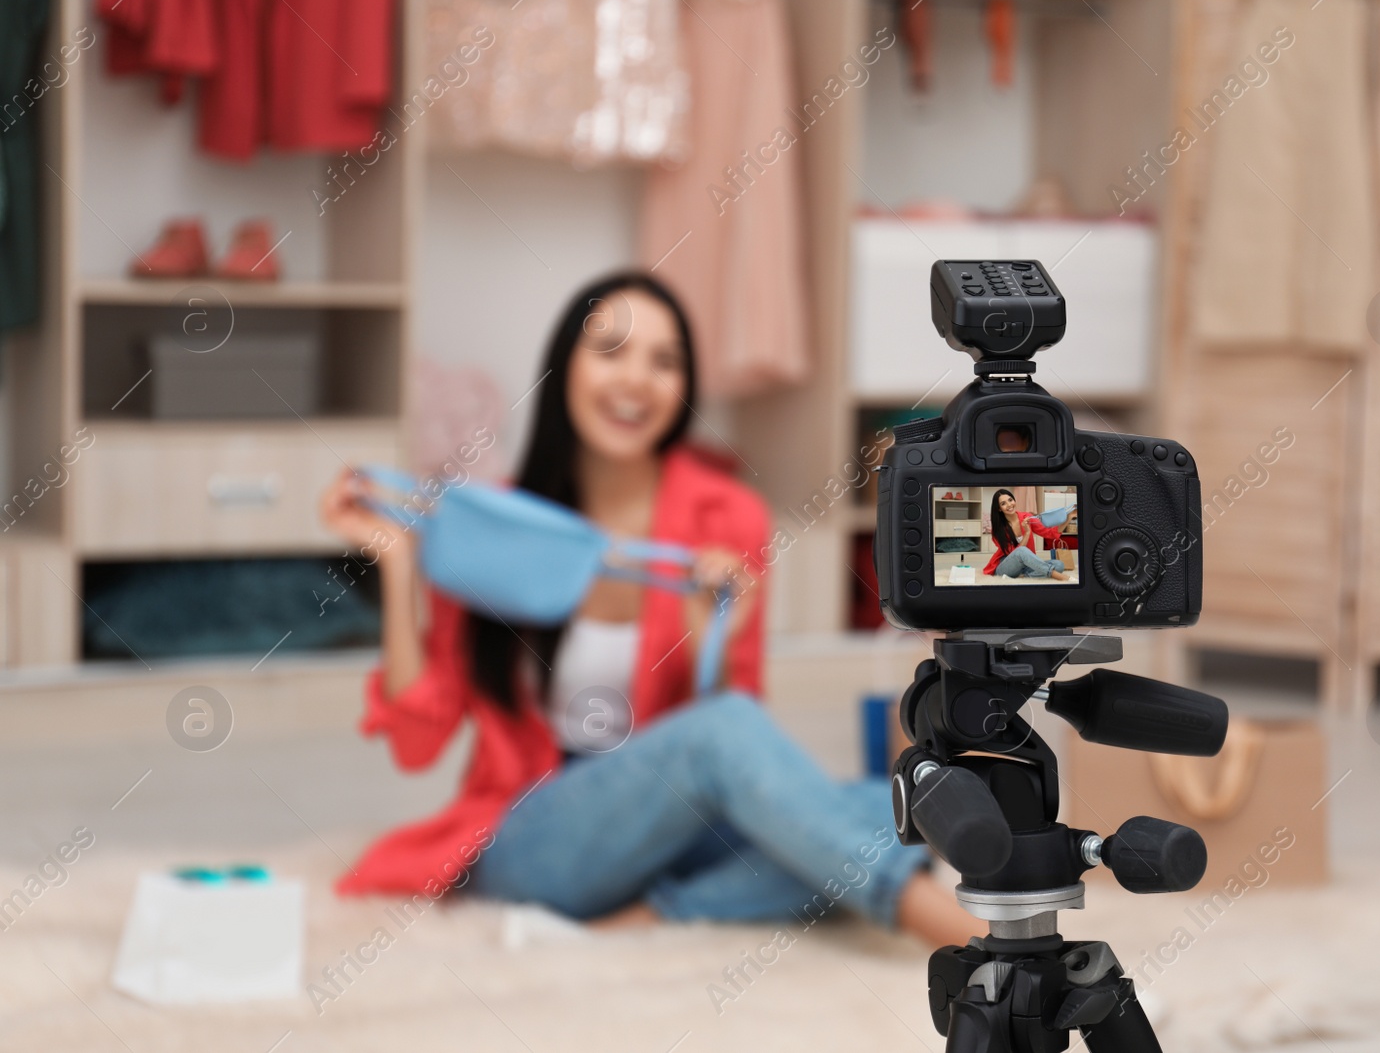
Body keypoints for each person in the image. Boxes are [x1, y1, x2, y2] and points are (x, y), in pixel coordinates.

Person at [320, 271, 981, 946]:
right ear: (564, 365)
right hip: (538, 835)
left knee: (889, 806)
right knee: (765, 772)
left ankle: (638, 921)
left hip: (673, 826)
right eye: (611, 351)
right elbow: (415, 743)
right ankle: (974, 941)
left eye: (663, 362)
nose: (636, 380)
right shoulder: (501, 524)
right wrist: (398, 566)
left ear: (684, 388)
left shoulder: (727, 518)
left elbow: (738, 734)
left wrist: (706, 645)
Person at [985, 489, 1069, 581]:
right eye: (1003, 503)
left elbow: (1050, 533)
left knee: (1059, 565)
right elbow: (1015, 554)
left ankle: (1025, 576)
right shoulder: (998, 529)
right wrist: (1027, 533)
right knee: (1021, 551)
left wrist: (1069, 518)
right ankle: (1054, 574)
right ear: (999, 508)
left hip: (1025, 566)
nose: (1009, 505)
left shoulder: (1026, 517)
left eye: (1010, 500)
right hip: (1005, 567)